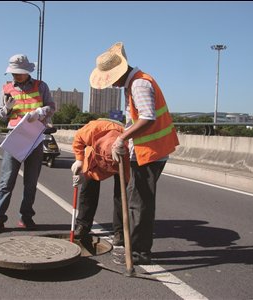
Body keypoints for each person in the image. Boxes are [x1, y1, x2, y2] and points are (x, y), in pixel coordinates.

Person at [89, 42, 179, 265]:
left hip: (151, 152)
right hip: (146, 151)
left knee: (139, 204)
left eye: (111, 80)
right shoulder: (135, 83)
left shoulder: (139, 84)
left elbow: (148, 118)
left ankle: (138, 253)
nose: (112, 85)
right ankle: (133, 247)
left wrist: (122, 138)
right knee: (135, 200)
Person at [0, 54, 55, 234]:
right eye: (13, 73)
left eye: (19, 73)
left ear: (27, 72)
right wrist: (6, 109)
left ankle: (26, 217)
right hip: (15, 137)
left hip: (34, 137)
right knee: (6, 181)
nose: (15, 76)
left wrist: (41, 111)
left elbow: (52, 107)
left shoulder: (41, 86)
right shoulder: (7, 89)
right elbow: (1, 116)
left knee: (31, 182)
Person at [70, 118, 130, 246]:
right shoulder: (93, 130)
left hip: (120, 161)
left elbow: (128, 178)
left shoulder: (128, 146)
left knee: (122, 196)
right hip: (95, 159)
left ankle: (120, 232)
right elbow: (78, 140)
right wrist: (79, 160)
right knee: (88, 190)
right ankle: (83, 226)